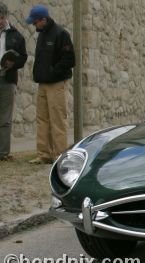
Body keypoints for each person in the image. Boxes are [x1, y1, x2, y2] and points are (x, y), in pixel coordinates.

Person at [25, 4, 75, 164]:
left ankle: (60, 154)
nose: (34, 25)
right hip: (43, 84)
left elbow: (69, 59)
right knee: (42, 119)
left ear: (43, 20)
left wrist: (53, 72)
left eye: (35, 22)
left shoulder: (61, 34)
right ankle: (44, 153)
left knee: (58, 119)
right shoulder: (42, 35)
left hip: (56, 84)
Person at [0, 2, 27, 161]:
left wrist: (13, 64)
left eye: (1, 18)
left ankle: (2, 153)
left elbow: (23, 57)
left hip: (7, 79)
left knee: (4, 118)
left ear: (6, 17)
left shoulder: (16, 35)